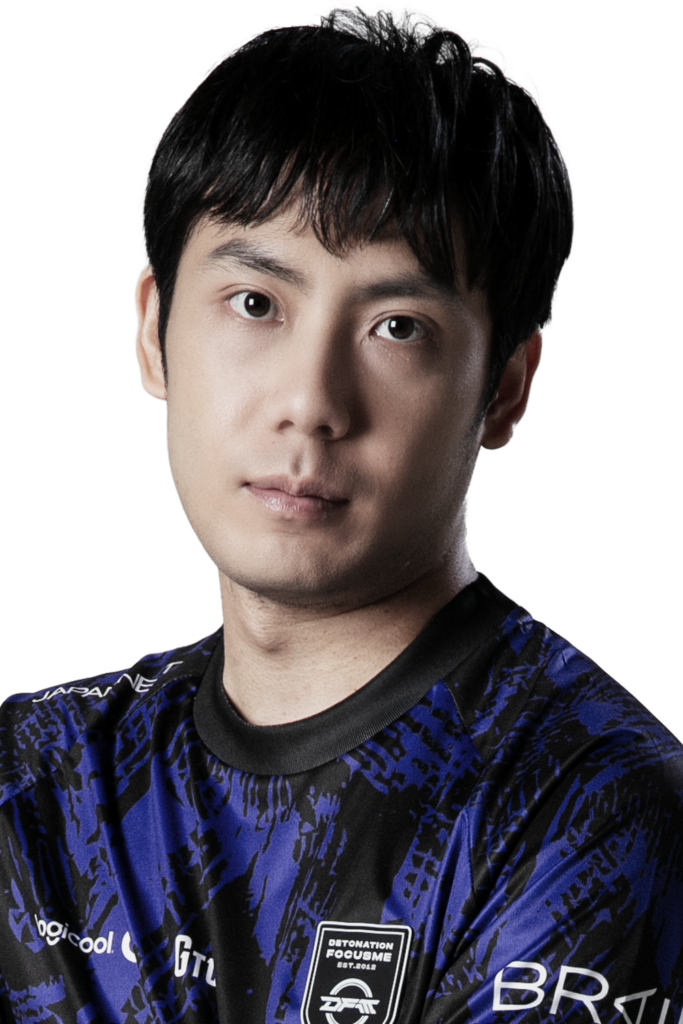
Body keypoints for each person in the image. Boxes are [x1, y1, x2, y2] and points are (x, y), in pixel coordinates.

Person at [1, 6, 681, 1023]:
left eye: (396, 327)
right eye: (255, 304)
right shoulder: (41, 777)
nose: (310, 402)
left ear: (504, 388)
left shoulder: (587, 809)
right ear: (151, 329)